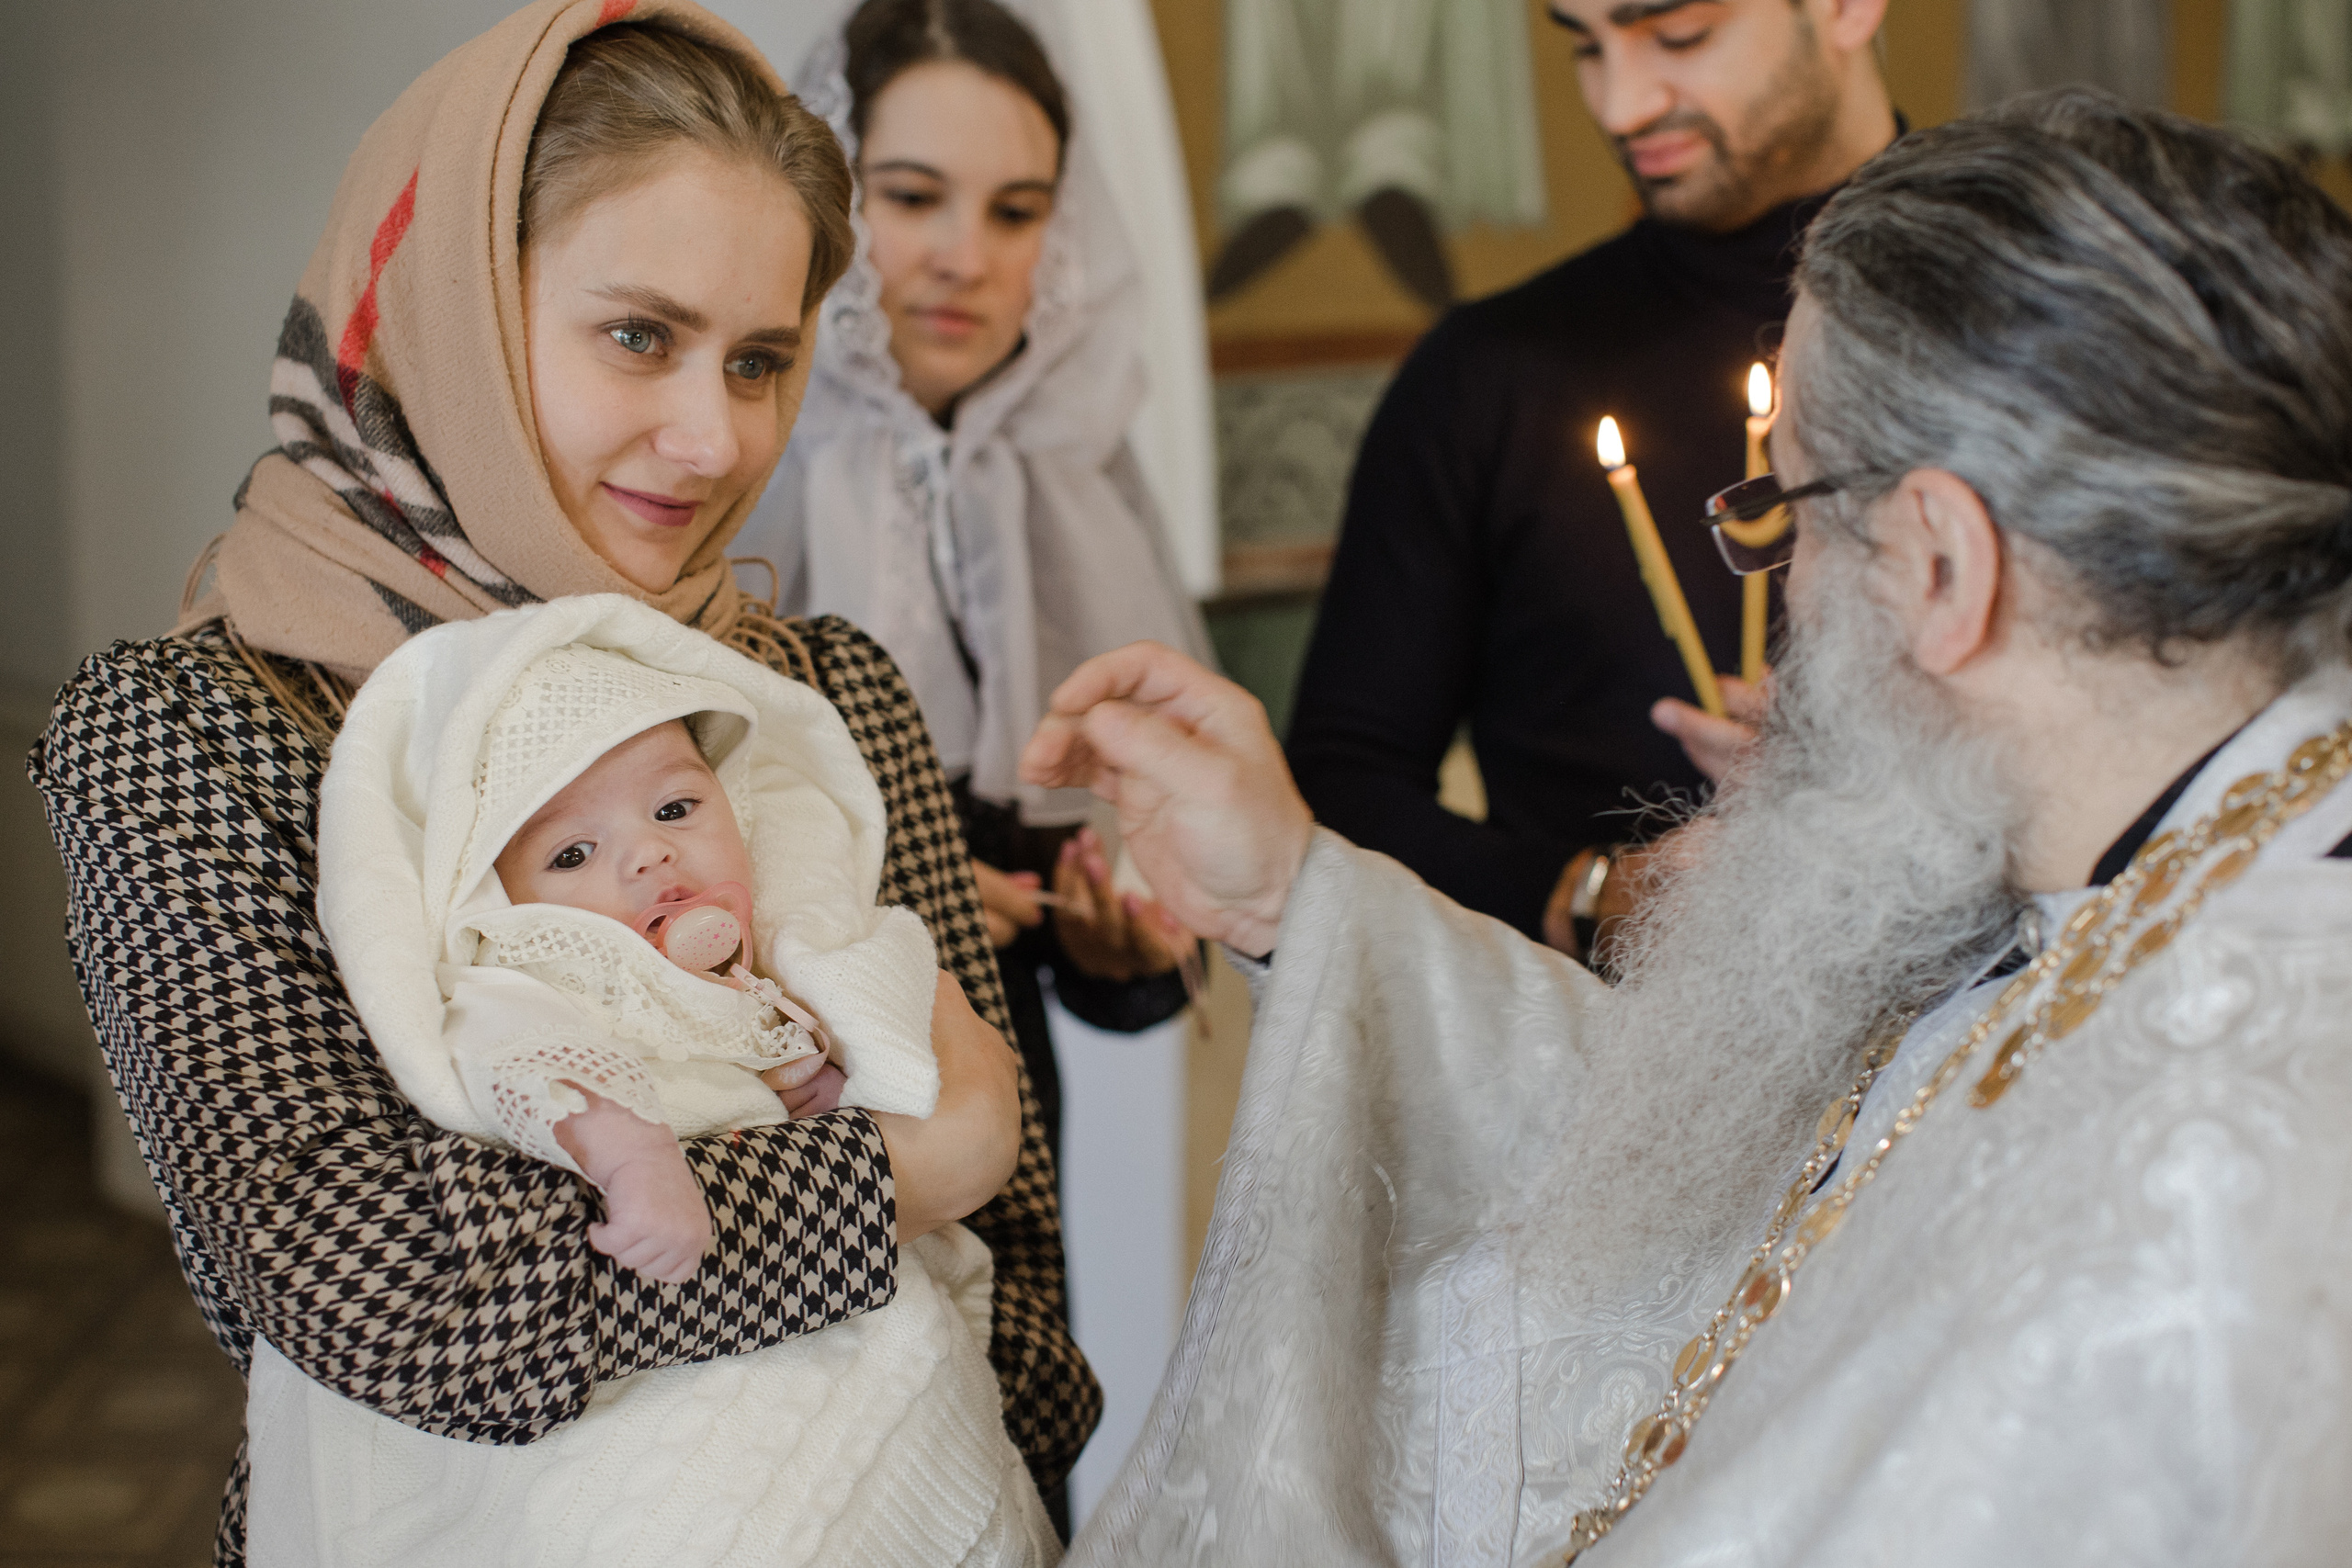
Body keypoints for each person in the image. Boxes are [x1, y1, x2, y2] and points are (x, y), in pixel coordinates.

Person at [1030, 93, 2352, 1563]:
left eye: (1790, 509)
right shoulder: (2141, 871)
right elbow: (1769, 1189)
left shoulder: (2210, 1196)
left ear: (1942, 563)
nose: (1786, 595)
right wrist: (1299, 893)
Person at [29, 6, 1098, 1560]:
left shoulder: (813, 696)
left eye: (760, 359)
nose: (713, 436)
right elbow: (390, 1295)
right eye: (639, 336)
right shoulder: (192, 734)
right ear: (450, 312)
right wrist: (897, 1175)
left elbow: (1017, 1278)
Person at [266, 593, 1053, 1563]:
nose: (650, 851)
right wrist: (634, 1160)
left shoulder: (761, 964)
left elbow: (795, 1067)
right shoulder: (527, 973)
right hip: (654, 1363)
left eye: (677, 807)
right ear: (501, 898)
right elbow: (540, 1070)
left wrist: (828, 1082)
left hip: (823, 1303)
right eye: (572, 853)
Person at [1284, 0, 1898, 957]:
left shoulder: (2047, 321)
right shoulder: (1493, 373)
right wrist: (1590, 893)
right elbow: (1341, 782)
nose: (1619, 107)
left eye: (1679, 35)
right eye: (1584, 44)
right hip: (1593, 1031)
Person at [733, 0, 1210, 1164]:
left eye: (1016, 211)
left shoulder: (1078, 480)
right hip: (776, 1135)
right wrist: (904, 912)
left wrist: (1117, 954)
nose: (965, 257)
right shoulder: (729, 462)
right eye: (909, 197)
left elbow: (1114, 924)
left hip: (1011, 1121)